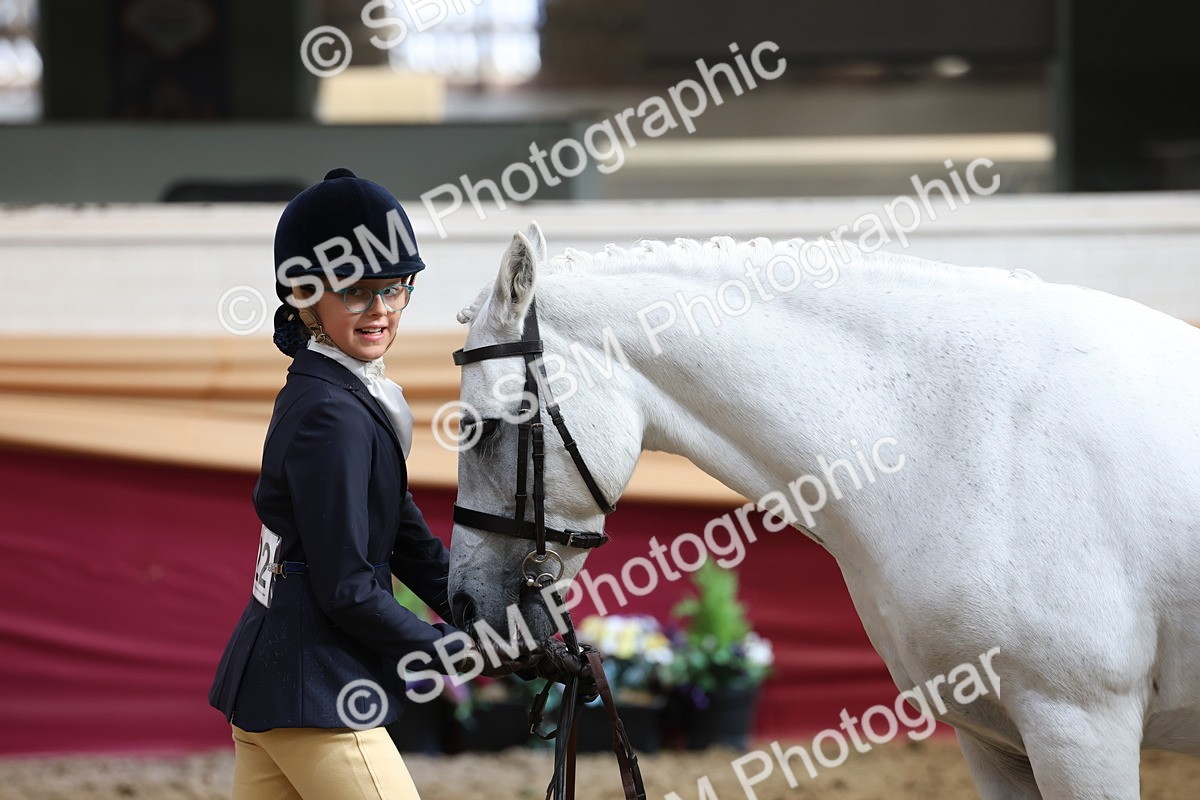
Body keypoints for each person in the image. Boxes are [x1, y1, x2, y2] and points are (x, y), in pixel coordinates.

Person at [208, 168, 470, 799]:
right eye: (355, 291)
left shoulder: (342, 393)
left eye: (394, 289)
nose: (379, 310)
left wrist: (476, 607)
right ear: (305, 295)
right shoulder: (332, 413)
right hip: (317, 695)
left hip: (278, 687)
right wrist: (450, 650)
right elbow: (347, 588)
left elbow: (401, 527)